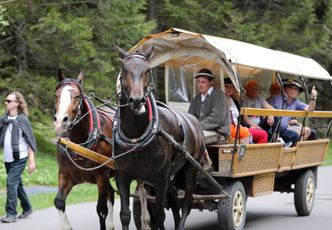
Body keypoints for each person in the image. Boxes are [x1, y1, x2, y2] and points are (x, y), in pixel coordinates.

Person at [0, 91, 36, 223]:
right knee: (17, 185)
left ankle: (11, 213)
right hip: (8, 158)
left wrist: (31, 161)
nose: (6, 103)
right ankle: (27, 208)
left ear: (17, 103)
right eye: (5, 100)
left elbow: (30, 141)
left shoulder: (22, 120)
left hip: (20, 157)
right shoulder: (4, 119)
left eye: (9, 101)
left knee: (10, 183)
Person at [188, 68, 230, 144]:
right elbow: (190, 117)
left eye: (203, 82)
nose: (200, 85)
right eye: (198, 82)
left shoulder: (219, 95)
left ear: (210, 82)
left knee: (194, 139)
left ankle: (202, 156)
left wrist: (196, 126)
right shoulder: (196, 99)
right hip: (201, 130)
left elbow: (217, 119)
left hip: (218, 133)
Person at [224, 78, 268, 144]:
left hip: (238, 127)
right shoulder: (222, 99)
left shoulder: (231, 99)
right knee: (263, 134)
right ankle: (256, 153)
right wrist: (249, 126)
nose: (229, 89)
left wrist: (271, 114)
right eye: (227, 86)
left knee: (265, 132)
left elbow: (238, 118)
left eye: (231, 87)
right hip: (230, 128)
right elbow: (242, 118)